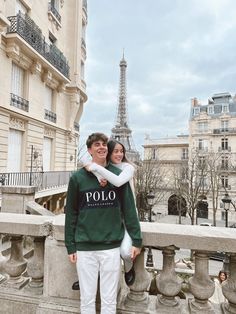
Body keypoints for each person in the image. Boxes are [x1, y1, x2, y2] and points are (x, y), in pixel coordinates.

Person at [65, 133, 142, 314]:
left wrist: (137, 240)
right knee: (87, 300)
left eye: (104, 144)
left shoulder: (118, 175)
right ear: (90, 150)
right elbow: (71, 213)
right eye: (97, 144)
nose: (102, 147)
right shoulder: (77, 178)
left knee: (109, 300)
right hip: (84, 247)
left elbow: (129, 209)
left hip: (110, 247)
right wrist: (70, 245)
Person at [86, 139, 138, 286]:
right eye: (116, 151)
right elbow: (86, 163)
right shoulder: (105, 167)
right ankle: (90, 275)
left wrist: (97, 169)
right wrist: (97, 174)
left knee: (125, 252)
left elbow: (118, 181)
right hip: (108, 216)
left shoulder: (128, 167)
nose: (120, 154)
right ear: (108, 152)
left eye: (122, 151)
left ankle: (129, 268)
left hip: (127, 216)